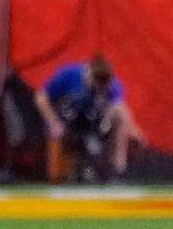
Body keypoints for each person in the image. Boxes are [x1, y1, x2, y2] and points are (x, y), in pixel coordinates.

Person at [34, 53, 145, 183]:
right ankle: (69, 170)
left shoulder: (111, 85)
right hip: (64, 122)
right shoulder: (68, 74)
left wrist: (134, 130)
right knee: (57, 177)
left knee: (119, 117)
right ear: (88, 72)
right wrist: (53, 122)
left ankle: (116, 172)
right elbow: (41, 97)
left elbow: (120, 108)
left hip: (92, 123)